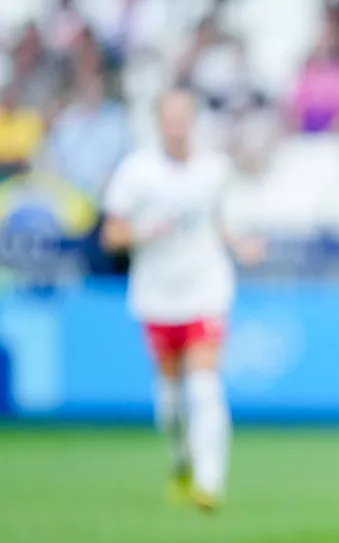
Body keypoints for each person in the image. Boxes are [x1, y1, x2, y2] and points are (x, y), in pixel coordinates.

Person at [101, 89, 262, 512]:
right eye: (169, 118)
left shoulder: (215, 169)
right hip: (156, 292)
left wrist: (241, 245)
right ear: (158, 122)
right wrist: (143, 232)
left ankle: (210, 481)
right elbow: (111, 236)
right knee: (170, 401)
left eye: (183, 117)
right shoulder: (136, 173)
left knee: (204, 386)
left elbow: (222, 221)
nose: (177, 126)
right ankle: (181, 459)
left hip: (206, 287)